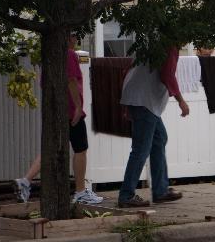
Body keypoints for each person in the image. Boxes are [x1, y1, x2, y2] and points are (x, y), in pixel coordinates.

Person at [14, 34, 103, 204]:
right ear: (68, 38)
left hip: (57, 110)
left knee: (51, 149)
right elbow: (70, 80)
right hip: (71, 111)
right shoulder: (68, 55)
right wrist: (78, 107)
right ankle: (80, 192)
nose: (76, 40)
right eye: (74, 36)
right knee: (80, 149)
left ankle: (25, 181)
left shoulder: (50, 57)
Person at [117, 45, 189, 208]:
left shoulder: (151, 43)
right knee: (141, 149)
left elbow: (128, 70)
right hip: (145, 101)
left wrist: (129, 102)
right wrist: (181, 101)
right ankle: (126, 195)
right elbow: (167, 75)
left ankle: (160, 190)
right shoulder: (169, 47)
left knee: (159, 139)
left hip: (140, 100)